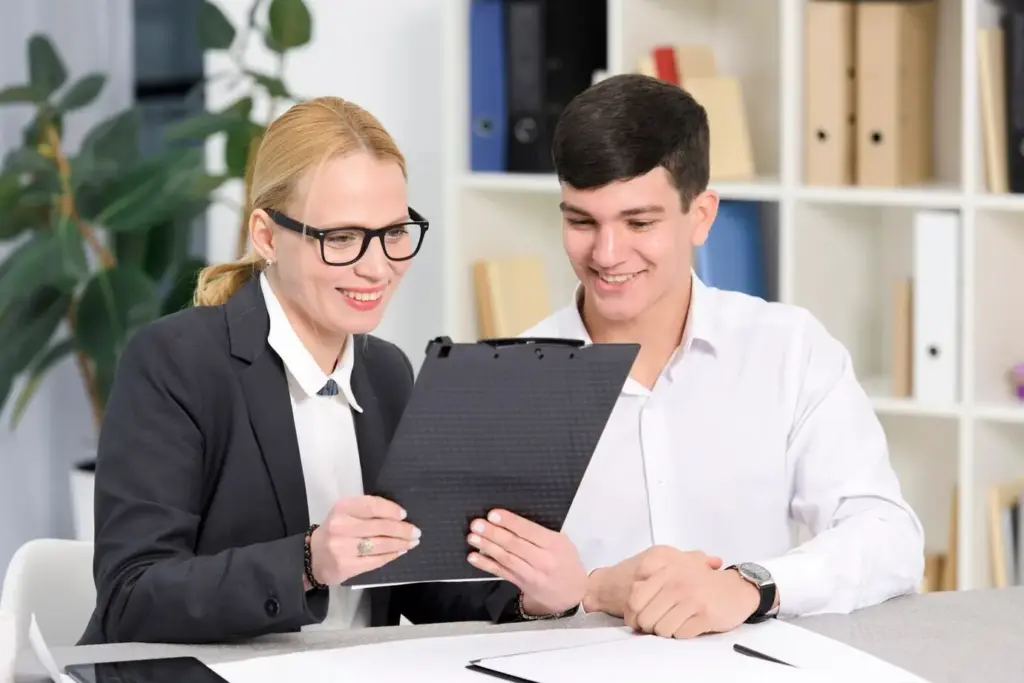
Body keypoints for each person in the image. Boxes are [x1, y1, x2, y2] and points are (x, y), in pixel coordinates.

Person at [79, 96, 585, 645]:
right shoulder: (175, 362)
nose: (378, 267)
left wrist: (533, 596)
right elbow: (131, 596)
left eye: (395, 233)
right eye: (341, 238)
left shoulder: (386, 372)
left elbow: (421, 584)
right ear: (266, 236)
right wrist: (307, 561)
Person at [493, 74, 924, 639]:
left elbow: (889, 538)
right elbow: (471, 596)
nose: (607, 253)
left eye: (639, 222)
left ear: (701, 216)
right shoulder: (510, 380)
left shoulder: (788, 348)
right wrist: (587, 591)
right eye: (581, 221)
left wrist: (750, 586)